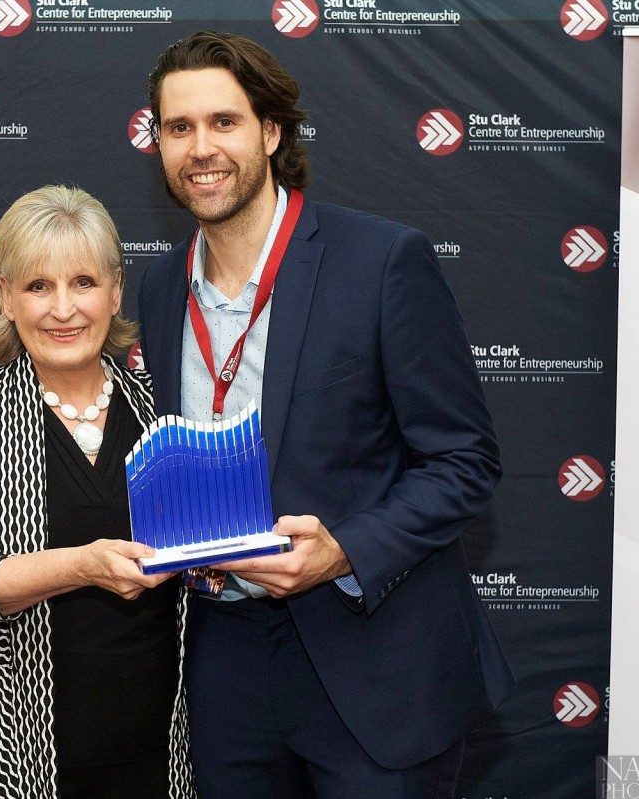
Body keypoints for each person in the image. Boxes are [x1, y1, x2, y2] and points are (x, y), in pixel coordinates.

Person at [136, 31, 515, 799]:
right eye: (179, 129)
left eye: (223, 122)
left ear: (271, 132)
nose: (201, 148)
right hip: (226, 662)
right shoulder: (157, 286)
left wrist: (343, 549)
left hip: (372, 658)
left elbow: (465, 460)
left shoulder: (379, 261)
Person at [0, 185, 195, 799]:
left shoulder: (166, 411)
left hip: (155, 758)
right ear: (5, 296)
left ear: (116, 291)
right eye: (38, 286)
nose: (63, 309)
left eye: (84, 282)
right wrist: (84, 565)